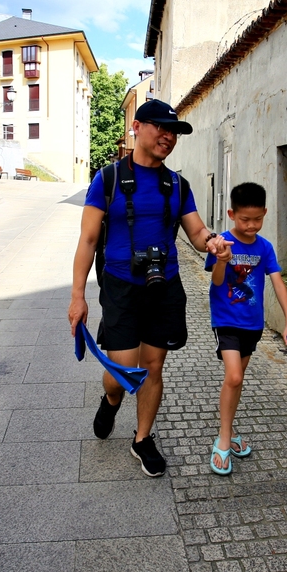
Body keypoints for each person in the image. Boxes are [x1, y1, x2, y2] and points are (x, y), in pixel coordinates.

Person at [68, 99, 231, 477]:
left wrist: (214, 242)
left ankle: (142, 438)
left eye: (173, 131)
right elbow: (88, 240)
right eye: (160, 127)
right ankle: (110, 400)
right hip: (121, 287)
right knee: (122, 374)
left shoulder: (177, 184)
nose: (168, 136)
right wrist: (78, 297)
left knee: (153, 366)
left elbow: (196, 231)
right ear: (137, 127)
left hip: (163, 286)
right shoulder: (106, 179)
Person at [204, 182, 287, 475]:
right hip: (226, 320)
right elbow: (217, 282)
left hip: (252, 325)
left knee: (237, 380)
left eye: (257, 219)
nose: (251, 225)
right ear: (232, 214)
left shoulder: (265, 247)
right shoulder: (221, 243)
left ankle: (230, 431)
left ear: (265, 213)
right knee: (233, 376)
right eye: (245, 219)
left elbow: (277, 282)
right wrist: (223, 259)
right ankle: (222, 439)